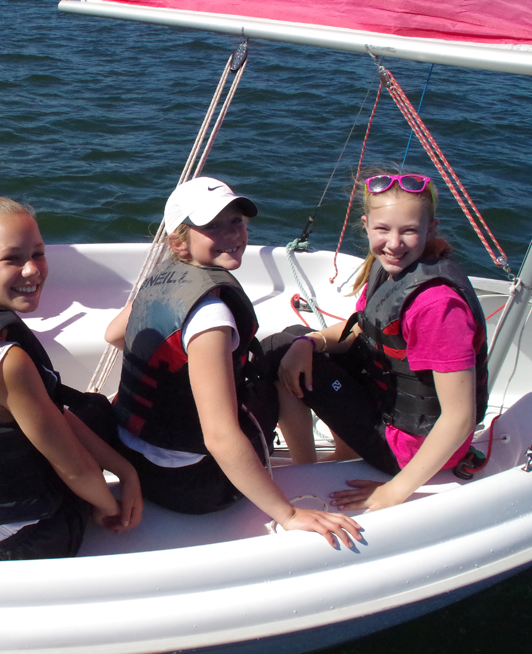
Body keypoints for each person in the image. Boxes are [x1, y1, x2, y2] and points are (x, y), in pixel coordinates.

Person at [104, 177, 362, 549]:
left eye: (236, 221)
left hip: (137, 459)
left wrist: (179, 375)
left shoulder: (162, 279)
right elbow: (220, 437)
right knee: (282, 351)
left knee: (283, 345)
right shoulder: (210, 315)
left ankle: (305, 460)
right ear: (179, 241)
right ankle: (308, 467)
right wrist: (288, 514)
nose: (232, 234)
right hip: (196, 486)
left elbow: (114, 334)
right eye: (213, 226)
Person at [0, 197, 143, 562]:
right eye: (13, 259)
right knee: (98, 414)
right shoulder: (8, 362)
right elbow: (75, 469)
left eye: (38, 254)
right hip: (15, 549)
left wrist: (124, 471)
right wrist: (110, 506)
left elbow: (52, 412)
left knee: (81, 413)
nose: (33, 269)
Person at [271, 170, 488, 512]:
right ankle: (336, 455)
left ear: (431, 229)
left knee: (273, 352)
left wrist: (394, 492)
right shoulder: (390, 269)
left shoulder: (437, 307)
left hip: (409, 451)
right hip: (388, 412)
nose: (394, 243)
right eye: (383, 229)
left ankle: (309, 471)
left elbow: (459, 418)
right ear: (367, 225)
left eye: (409, 231)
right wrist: (307, 343)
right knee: (290, 341)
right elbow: (363, 328)